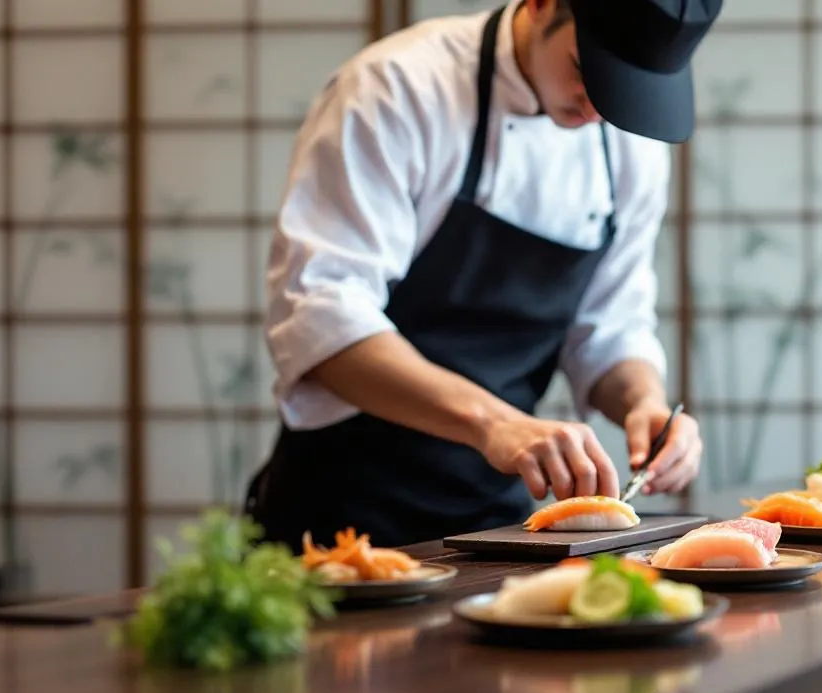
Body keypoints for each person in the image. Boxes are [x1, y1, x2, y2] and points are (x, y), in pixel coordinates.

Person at [245, 0, 723, 551]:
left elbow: (609, 329)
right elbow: (321, 316)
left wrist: (645, 403)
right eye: (585, 71)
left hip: (492, 521)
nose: (599, 108)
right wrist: (494, 424)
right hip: (342, 510)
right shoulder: (399, 88)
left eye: (626, 90)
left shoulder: (626, 138)